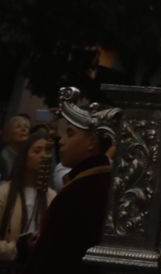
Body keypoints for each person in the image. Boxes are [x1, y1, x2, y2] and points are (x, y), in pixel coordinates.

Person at [23, 89, 118, 274]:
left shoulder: (79, 193)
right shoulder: (98, 183)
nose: (62, 141)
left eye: (70, 133)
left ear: (92, 142)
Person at [0, 128, 55, 271]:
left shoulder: (52, 197)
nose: (44, 156)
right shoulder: (2, 193)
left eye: (47, 152)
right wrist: (18, 250)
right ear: (24, 156)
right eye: (37, 151)